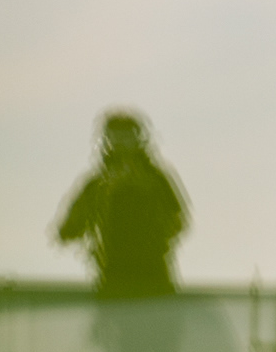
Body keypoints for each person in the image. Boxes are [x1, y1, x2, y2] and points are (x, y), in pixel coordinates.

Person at [56, 111, 188, 300]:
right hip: (112, 277)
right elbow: (68, 230)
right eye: (115, 137)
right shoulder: (98, 184)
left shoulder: (156, 181)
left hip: (154, 277)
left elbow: (178, 221)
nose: (120, 143)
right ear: (106, 140)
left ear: (138, 139)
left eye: (126, 137)